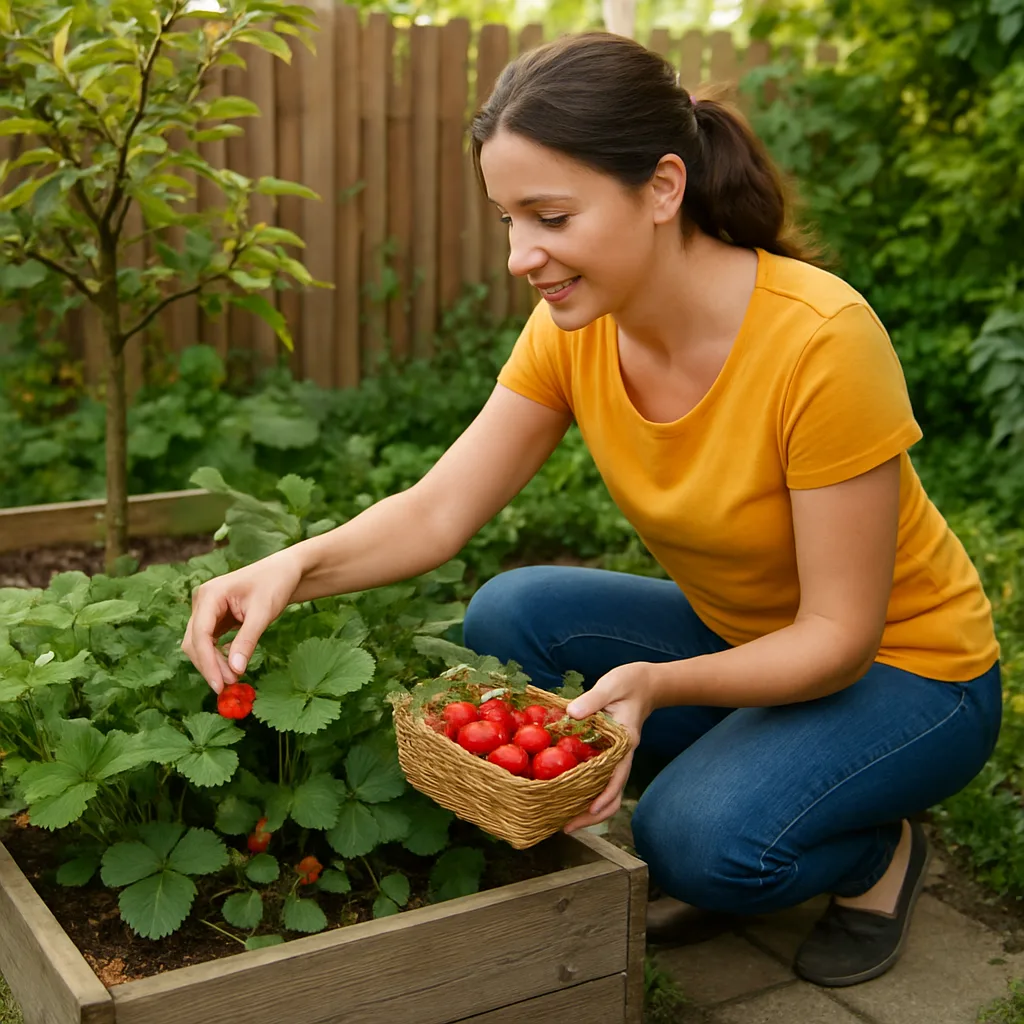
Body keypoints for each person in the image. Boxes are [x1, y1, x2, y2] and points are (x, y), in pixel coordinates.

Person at [181, 32, 1002, 989]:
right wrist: (292, 566)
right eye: (506, 219)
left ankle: (874, 857)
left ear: (662, 188)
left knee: (693, 843)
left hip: (909, 676)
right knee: (511, 614)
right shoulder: (575, 328)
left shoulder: (820, 343)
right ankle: (749, 785)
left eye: (552, 216)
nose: (523, 255)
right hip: (744, 634)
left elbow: (840, 634)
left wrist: (658, 685)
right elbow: (440, 508)